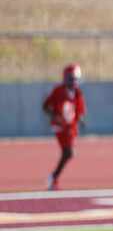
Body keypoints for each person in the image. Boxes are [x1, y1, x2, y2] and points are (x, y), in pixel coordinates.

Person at [42, 63, 86, 191]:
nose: (73, 81)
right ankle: (53, 178)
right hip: (60, 126)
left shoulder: (77, 93)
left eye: (75, 79)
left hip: (70, 126)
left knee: (68, 154)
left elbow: (80, 109)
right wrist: (54, 116)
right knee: (69, 152)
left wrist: (80, 120)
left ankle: (54, 177)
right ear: (65, 78)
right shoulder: (58, 91)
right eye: (70, 78)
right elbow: (45, 106)